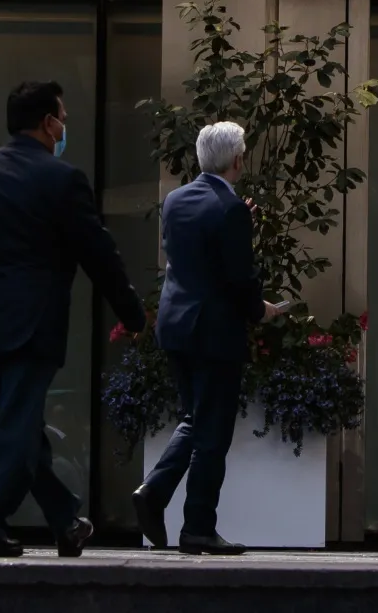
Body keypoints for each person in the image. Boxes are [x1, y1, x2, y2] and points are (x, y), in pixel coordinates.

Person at [0, 79, 148, 559]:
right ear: (48, 123)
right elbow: (99, 252)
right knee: (16, 423)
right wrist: (133, 314)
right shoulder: (61, 178)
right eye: (62, 117)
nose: (64, 127)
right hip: (34, 322)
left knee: (21, 421)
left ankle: (64, 518)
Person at [133, 120, 280, 555]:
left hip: (176, 326)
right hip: (214, 332)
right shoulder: (230, 209)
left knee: (196, 419)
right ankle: (197, 527)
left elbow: (197, 252)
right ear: (238, 160)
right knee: (212, 434)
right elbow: (239, 277)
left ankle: (155, 492)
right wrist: (261, 311)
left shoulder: (176, 199)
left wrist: (238, 223)